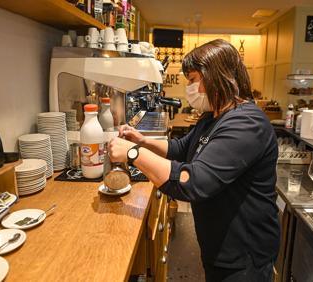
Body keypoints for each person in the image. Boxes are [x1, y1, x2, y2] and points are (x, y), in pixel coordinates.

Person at [108, 39, 280, 282]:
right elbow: (181, 148)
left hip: (245, 256)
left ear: (215, 76)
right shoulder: (213, 116)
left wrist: (132, 153)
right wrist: (141, 140)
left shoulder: (247, 124)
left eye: (192, 79)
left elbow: (193, 182)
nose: (189, 87)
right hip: (220, 247)